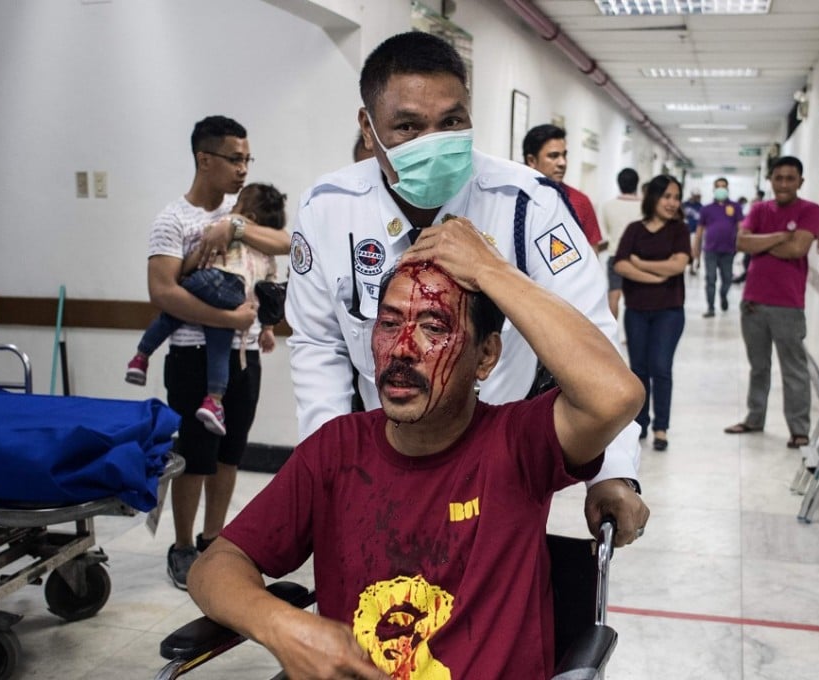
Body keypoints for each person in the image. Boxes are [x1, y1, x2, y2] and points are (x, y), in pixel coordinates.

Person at [190, 221, 645, 679]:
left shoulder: (518, 443)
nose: (402, 349)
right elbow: (215, 566)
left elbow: (615, 395)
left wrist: (489, 269)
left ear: (486, 357)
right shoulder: (336, 449)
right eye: (388, 324)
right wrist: (282, 625)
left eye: (434, 327)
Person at [285, 31, 649, 546]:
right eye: (408, 126)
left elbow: (594, 340)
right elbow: (317, 346)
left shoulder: (529, 205)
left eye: (451, 122)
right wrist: (325, 465)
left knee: (491, 604)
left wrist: (611, 469)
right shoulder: (327, 208)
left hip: (502, 455)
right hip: (383, 450)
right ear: (368, 128)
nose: (433, 142)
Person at [146, 115, 290, 589]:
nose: (243, 168)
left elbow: (288, 242)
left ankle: (213, 539)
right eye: (235, 158)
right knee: (196, 456)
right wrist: (229, 320)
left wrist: (235, 226)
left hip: (243, 361)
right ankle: (183, 544)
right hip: (192, 359)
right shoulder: (174, 220)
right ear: (204, 159)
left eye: (248, 159)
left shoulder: (242, 211)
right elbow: (164, 293)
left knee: (230, 455)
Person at [126, 183, 286, 435]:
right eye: (235, 159)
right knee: (219, 342)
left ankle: (140, 357)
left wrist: (185, 274)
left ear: (250, 217)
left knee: (173, 315)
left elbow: (201, 255)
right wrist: (268, 328)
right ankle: (214, 401)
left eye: (238, 205)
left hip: (211, 280)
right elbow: (270, 295)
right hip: (234, 296)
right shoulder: (262, 250)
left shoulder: (230, 222)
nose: (233, 207)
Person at [724, 157, 819, 449]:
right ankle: (755, 418)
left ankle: (799, 429)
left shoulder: (810, 211)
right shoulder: (759, 209)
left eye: (790, 178)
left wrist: (761, 242)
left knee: (793, 369)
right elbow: (742, 243)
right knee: (758, 366)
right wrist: (780, 236)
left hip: (788, 305)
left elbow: (797, 249)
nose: (783, 184)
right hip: (753, 301)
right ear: (770, 180)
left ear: (800, 182)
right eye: (778, 178)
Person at [613, 174, 691, 451]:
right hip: (636, 311)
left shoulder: (679, 230)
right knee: (639, 370)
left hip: (669, 311)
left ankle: (661, 428)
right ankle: (641, 423)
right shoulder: (635, 229)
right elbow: (620, 265)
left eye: (676, 197)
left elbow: (678, 266)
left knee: (660, 367)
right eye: (667, 196)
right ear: (653, 198)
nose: (672, 203)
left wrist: (641, 263)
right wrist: (655, 276)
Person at [522, 124, 605, 251]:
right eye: (553, 156)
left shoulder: (580, 202)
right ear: (531, 160)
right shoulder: (514, 198)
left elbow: (593, 253)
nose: (563, 163)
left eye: (564, 155)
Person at [693, 177, 743, 318]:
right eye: (718, 186)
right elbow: (700, 230)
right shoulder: (706, 209)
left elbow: (741, 227)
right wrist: (695, 248)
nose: (721, 189)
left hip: (728, 250)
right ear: (714, 189)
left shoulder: (735, 207)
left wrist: (741, 243)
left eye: (723, 186)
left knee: (727, 279)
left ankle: (723, 296)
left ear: (727, 189)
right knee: (710, 279)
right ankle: (710, 307)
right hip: (710, 250)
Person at [600, 168, 642, 319]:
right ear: (637, 183)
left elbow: (605, 233)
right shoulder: (645, 206)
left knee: (613, 295)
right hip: (638, 258)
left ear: (619, 184)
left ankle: (613, 336)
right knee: (637, 298)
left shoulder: (607, 206)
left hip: (615, 255)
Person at [682, 190, 702, 275]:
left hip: (695, 231)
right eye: (696, 196)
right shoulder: (684, 205)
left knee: (694, 250)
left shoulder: (700, 206)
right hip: (684, 231)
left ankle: (692, 268)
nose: (697, 198)